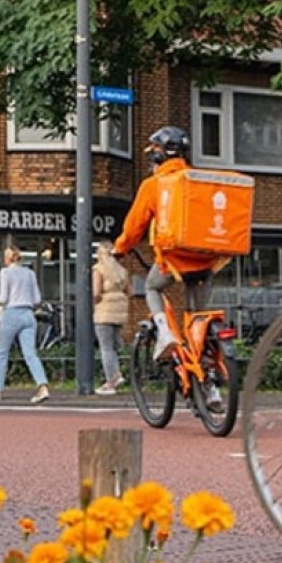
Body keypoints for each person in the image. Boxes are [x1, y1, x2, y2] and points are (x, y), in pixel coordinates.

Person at [113, 127, 223, 392]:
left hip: (173, 259)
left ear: (159, 157)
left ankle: (164, 333)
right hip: (206, 260)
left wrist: (120, 248)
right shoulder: (199, 181)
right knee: (197, 318)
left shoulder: (153, 185)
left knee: (152, 287)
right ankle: (212, 387)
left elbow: (134, 226)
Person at [0, 245, 50, 404]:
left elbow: (3, 297)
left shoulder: (5, 272)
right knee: (30, 353)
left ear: (7, 259)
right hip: (28, 314)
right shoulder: (30, 273)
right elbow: (36, 299)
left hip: (12, 313)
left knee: (2, 353)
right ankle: (42, 386)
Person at [92, 240, 131, 395]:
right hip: (120, 313)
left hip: (104, 311)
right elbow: (131, 291)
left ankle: (111, 381)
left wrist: (95, 303)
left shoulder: (98, 269)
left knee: (105, 347)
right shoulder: (122, 271)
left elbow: (96, 292)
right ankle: (117, 374)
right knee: (114, 347)